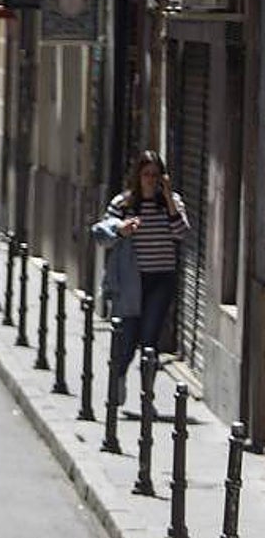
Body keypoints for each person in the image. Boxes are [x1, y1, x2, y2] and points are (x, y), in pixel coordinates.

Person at [91, 150, 190, 406]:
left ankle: (147, 398)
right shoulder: (123, 203)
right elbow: (102, 234)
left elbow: (181, 233)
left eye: (155, 175)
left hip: (161, 279)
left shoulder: (172, 202)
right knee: (127, 337)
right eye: (146, 174)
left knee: (149, 340)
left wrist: (167, 197)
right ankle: (119, 377)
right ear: (138, 175)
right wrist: (121, 229)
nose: (150, 180)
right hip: (131, 281)